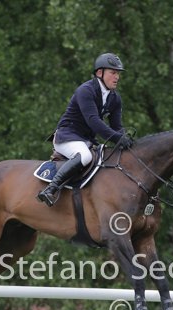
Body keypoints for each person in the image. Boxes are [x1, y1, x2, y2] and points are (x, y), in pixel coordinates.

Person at [37, 52, 134, 206]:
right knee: (85, 156)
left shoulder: (115, 98)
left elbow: (116, 127)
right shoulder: (86, 90)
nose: (117, 77)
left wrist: (126, 140)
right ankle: (50, 189)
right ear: (100, 73)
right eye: (113, 73)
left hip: (87, 141)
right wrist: (117, 138)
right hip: (67, 136)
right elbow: (93, 121)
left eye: (118, 73)